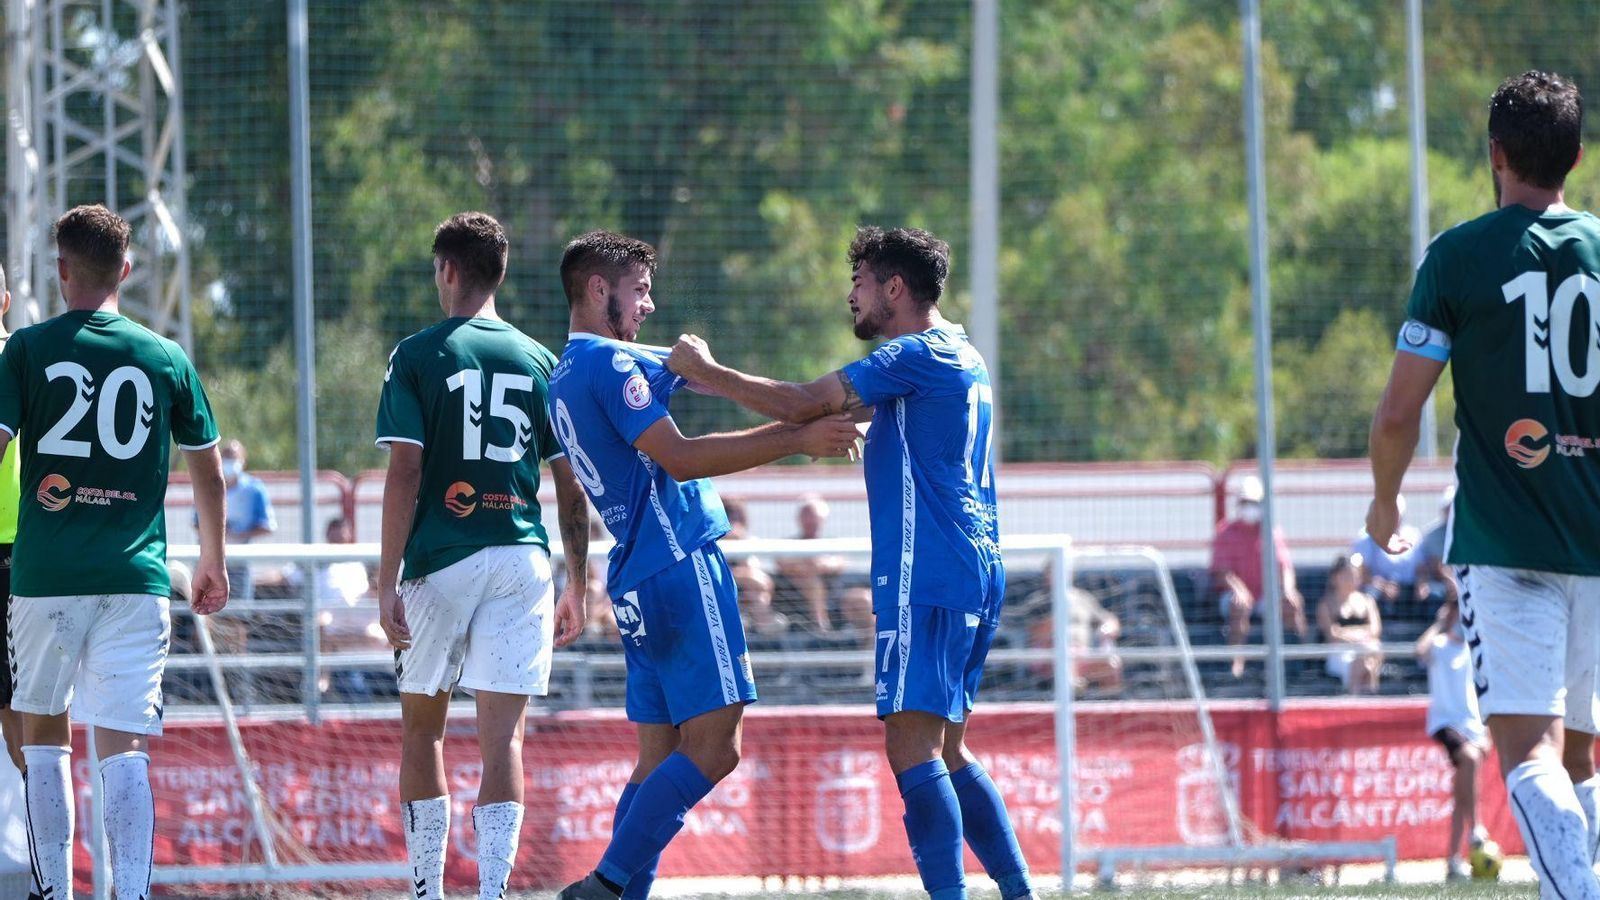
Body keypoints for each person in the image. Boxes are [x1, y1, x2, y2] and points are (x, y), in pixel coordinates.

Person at [667, 226, 1036, 900]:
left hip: (928, 570)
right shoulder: (961, 353)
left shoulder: (913, 355)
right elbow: (823, 415)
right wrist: (801, 432)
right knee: (948, 750)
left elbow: (811, 400)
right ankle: (1019, 892)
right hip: (975, 568)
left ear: (895, 288)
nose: (851, 296)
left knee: (913, 748)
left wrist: (709, 376)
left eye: (861, 283)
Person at [548, 231, 858, 900]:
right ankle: (602, 885)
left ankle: (616, 891)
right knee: (716, 748)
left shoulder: (566, 375)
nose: (650, 306)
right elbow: (680, 458)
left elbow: (575, 490)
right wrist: (798, 439)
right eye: (640, 292)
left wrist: (818, 404)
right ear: (600, 291)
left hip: (634, 577)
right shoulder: (612, 367)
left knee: (656, 762)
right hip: (678, 563)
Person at [1368, 71, 1600, 895]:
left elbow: (1398, 416)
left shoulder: (1459, 257)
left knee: (1527, 755)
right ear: (1575, 155)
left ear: (1495, 153)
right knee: (1579, 755)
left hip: (1506, 548)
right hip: (1595, 548)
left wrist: (1385, 499)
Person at [0, 204, 229, 900]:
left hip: (44, 580)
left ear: (60, 270)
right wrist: (214, 557)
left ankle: (54, 894)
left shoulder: (28, 349)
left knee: (44, 739)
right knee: (124, 745)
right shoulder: (164, 356)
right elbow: (209, 467)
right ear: (125, 270)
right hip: (136, 577)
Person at [375, 212, 590, 900]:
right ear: (499, 274)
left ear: (448, 271)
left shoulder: (416, 355)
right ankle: (493, 893)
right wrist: (579, 583)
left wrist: (386, 581)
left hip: (441, 558)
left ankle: (427, 892)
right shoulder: (538, 358)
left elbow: (404, 471)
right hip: (522, 558)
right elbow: (570, 482)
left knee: (424, 734)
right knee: (505, 744)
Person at [1416, 598, 1490, 881]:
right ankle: (1477, 827)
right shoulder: (1439, 646)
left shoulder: (1475, 649)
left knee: (1463, 794)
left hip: (1473, 727)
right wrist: (1438, 623)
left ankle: (1453, 862)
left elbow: (1484, 692)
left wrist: (1486, 732)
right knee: (1469, 760)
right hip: (1446, 724)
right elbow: (1418, 651)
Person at [1211, 475, 1308, 678]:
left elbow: (1285, 567)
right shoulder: (1225, 532)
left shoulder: (1272, 532)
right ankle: (1237, 662)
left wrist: (1289, 590)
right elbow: (1221, 572)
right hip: (1234, 595)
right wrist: (1239, 590)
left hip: (1264, 596)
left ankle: (1300, 659)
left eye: (1254, 502)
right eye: (1246, 502)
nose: (1250, 507)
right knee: (1239, 604)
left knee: (1292, 604)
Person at [314, 516, 386, 701]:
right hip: (355, 666)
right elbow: (328, 636)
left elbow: (397, 642)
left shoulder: (399, 599)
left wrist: (373, 639)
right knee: (355, 687)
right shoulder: (351, 603)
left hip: (391, 667)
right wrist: (367, 639)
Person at [0, 263, 22, 777]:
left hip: (17, 552)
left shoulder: (21, 359)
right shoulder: (28, 358)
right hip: (25, 554)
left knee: (21, 709)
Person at [774, 493, 846, 632]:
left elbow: (839, 563)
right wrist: (808, 566)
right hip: (792, 594)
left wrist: (818, 565)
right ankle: (821, 625)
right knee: (811, 581)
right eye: (806, 516)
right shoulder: (789, 544)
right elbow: (782, 563)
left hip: (831, 592)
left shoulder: (832, 543)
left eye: (814, 517)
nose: (810, 521)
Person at [1315, 555, 1383, 695]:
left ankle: (1363, 704)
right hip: (1340, 653)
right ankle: (1356, 704)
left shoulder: (1367, 601)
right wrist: (1360, 636)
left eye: (1353, 574)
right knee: (1363, 663)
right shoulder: (1326, 604)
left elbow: (1375, 630)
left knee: (1368, 662)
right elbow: (1332, 634)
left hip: (1367, 649)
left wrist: (1346, 632)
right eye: (1345, 575)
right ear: (1335, 578)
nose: (1351, 578)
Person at [219, 438, 275, 600]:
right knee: (208, 613)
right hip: (212, 557)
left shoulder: (254, 489)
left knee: (238, 614)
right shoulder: (210, 485)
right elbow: (196, 522)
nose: (229, 463)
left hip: (239, 561)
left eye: (234, 458)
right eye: (226, 458)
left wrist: (237, 536)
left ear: (243, 461)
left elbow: (267, 525)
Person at [722, 497, 786, 636]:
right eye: (731, 516)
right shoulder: (715, 541)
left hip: (747, 587)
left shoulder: (748, 540)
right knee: (757, 583)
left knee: (756, 590)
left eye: (738, 516)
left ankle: (761, 626)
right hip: (723, 580)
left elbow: (755, 566)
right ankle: (761, 622)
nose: (735, 522)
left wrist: (740, 540)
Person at [1349, 494, 1421, 612]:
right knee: (1371, 595)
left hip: (1409, 591)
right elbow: (1360, 572)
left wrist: (1421, 583)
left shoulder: (1413, 535)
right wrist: (1382, 585)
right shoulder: (1364, 538)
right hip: (1379, 591)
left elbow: (1421, 568)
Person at [1413, 486, 1458, 610]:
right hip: (1441, 582)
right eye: (1448, 508)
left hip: (1465, 581)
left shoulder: (1470, 532)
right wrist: (1453, 581)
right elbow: (1438, 566)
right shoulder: (1433, 534)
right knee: (1434, 594)